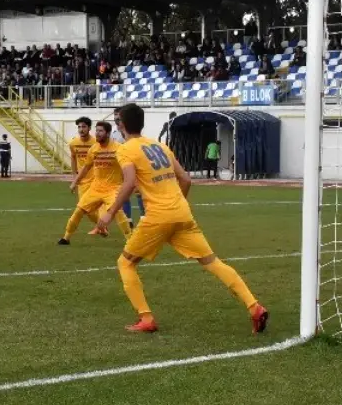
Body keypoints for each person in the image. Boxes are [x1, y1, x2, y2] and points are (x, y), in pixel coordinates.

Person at [98, 103, 269, 334]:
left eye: (118, 122)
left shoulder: (126, 149)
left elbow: (128, 183)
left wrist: (109, 213)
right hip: (182, 212)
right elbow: (186, 179)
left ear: (122, 125)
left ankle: (146, 318)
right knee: (212, 262)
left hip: (158, 216)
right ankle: (254, 307)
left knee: (125, 263)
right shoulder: (160, 146)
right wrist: (177, 206)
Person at [59, 121, 132, 244]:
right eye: (96, 131)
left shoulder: (119, 148)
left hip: (113, 188)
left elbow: (128, 166)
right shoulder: (94, 149)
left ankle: (130, 240)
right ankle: (66, 238)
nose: (97, 134)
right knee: (79, 210)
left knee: (118, 212)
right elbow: (86, 168)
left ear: (108, 133)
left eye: (100, 131)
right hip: (96, 188)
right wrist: (75, 182)